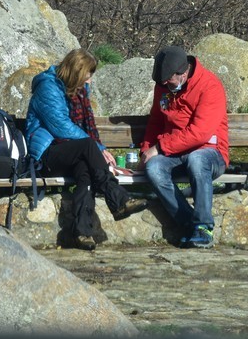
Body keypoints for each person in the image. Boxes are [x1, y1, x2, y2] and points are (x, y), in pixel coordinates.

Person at [25, 48, 145, 250]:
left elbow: (80, 130)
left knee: (85, 172)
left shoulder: (76, 89)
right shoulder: (48, 88)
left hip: (70, 151)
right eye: (86, 76)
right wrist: (98, 148)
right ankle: (118, 198)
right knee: (88, 146)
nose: (89, 81)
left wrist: (97, 149)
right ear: (75, 73)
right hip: (46, 154)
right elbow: (61, 127)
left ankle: (82, 232)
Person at [138, 46, 229, 248]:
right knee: (154, 168)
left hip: (209, 152)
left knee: (197, 160)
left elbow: (200, 133)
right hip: (175, 151)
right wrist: (146, 150)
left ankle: (204, 227)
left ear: (183, 73)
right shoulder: (163, 86)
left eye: (168, 81)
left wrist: (159, 148)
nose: (165, 86)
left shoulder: (210, 86)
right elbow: (155, 122)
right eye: (162, 83)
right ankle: (190, 224)